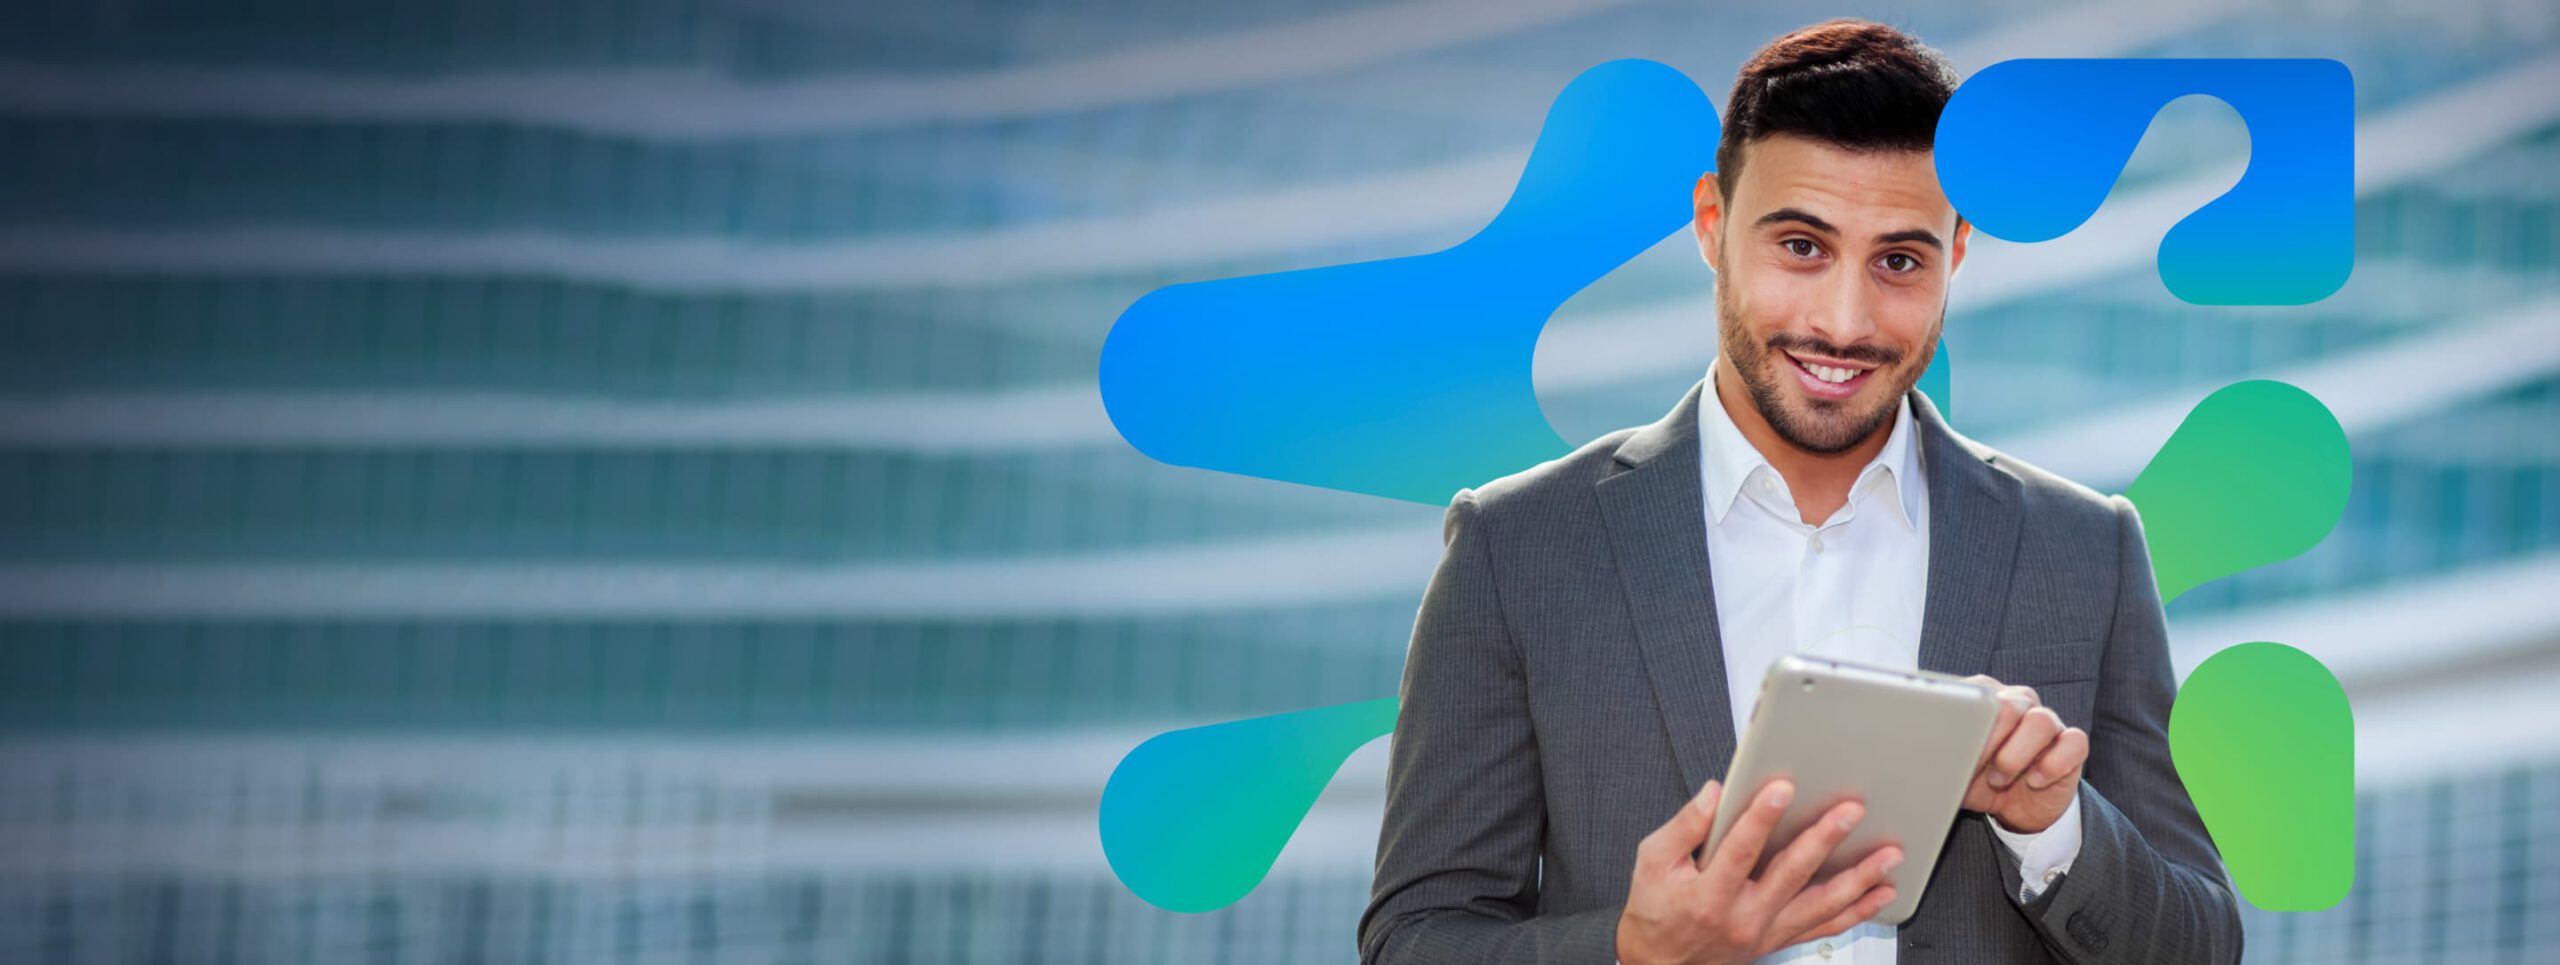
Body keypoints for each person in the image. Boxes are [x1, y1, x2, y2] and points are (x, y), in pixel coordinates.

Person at [1357, 19, 2243, 965]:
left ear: (1959, 254)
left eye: (1900, 260)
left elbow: (2200, 947)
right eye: (1801, 246)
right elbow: (1417, 939)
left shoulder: (2085, 548)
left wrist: (2053, 827)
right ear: (1712, 223)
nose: (1844, 320)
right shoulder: (1518, 548)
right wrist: (1633, 950)